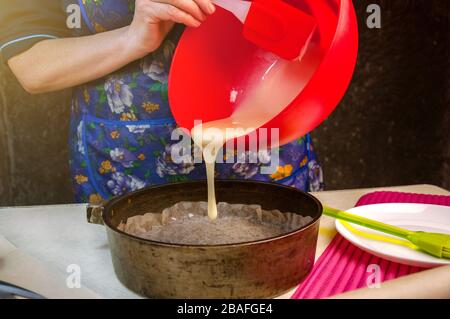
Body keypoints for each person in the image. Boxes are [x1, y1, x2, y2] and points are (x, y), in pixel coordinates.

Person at [0, 0, 324, 204]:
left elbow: (322, 22)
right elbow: (32, 67)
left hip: (265, 151)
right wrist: (132, 39)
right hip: (126, 169)